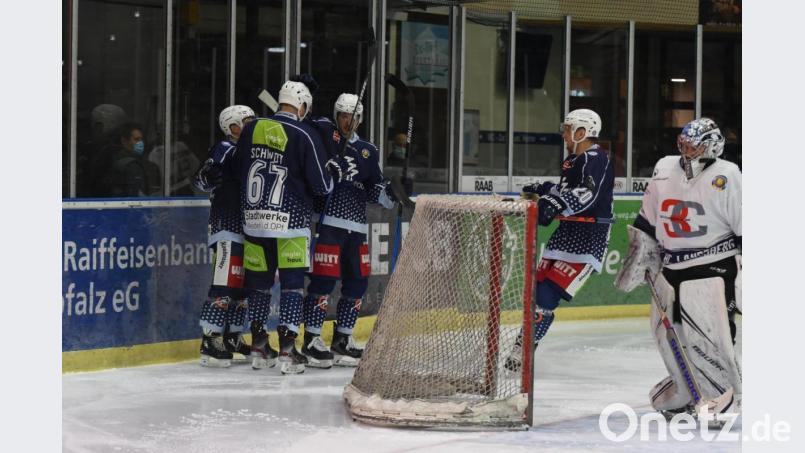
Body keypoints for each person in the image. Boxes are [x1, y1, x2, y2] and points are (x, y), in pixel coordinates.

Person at [614, 117, 742, 418]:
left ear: (712, 146)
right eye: (683, 144)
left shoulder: (728, 175)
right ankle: (685, 390)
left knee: (709, 336)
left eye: (694, 146)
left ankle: (722, 396)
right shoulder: (664, 169)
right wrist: (641, 252)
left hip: (713, 268)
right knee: (666, 335)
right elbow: (647, 219)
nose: (686, 151)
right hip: (670, 267)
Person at [227, 80, 343, 375]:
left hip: (254, 221)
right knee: (292, 286)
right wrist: (335, 173)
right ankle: (289, 351)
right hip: (290, 225)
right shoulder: (304, 133)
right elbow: (321, 185)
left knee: (259, 286)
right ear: (302, 106)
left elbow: (237, 168)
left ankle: (259, 346)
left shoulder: (252, 128)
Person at [505, 108, 614, 371]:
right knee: (536, 294)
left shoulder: (597, 156)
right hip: (564, 236)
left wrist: (553, 202)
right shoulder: (572, 161)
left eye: (568, 129)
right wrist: (544, 190)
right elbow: (564, 190)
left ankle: (525, 349)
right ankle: (525, 345)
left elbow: (587, 193)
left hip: (588, 240)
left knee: (545, 297)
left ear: (583, 132)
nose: (564, 134)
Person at [300, 93, 400, 368]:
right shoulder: (325, 138)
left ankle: (343, 339)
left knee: (357, 282)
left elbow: (373, 188)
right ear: (336, 116)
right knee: (322, 283)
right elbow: (306, 124)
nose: (348, 121)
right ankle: (311, 338)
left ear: (360, 118)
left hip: (357, 227)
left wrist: (391, 192)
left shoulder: (369, 150)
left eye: (353, 116)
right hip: (329, 224)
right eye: (343, 115)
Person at [193, 105, 256, 368]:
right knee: (225, 282)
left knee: (243, 287)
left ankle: (233, 335)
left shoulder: (252, 153)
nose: (250, 127)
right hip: (226, 225)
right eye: (245, 122)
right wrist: (206, 176)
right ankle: (210, 338)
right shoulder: (224, 149)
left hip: (248, 227)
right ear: (231, 126)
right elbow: (201, 180)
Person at [90, 122, 160, 197]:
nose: (141, 143)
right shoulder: (128, 164)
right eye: (136, 139)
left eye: (141, 139)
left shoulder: (139, 160)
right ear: (124, 141)